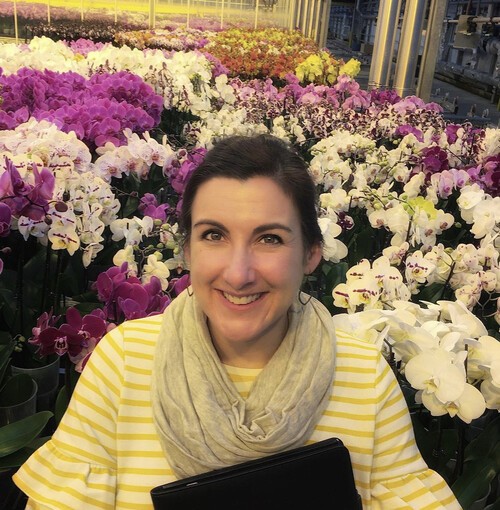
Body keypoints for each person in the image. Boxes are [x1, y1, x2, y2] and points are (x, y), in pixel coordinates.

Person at [13, 134, 461, 509]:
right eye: (214, 235)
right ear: (187, 250)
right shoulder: (124, 362)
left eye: (270, 239)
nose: (238, 273)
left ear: (311, 254)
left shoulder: (364, 378)